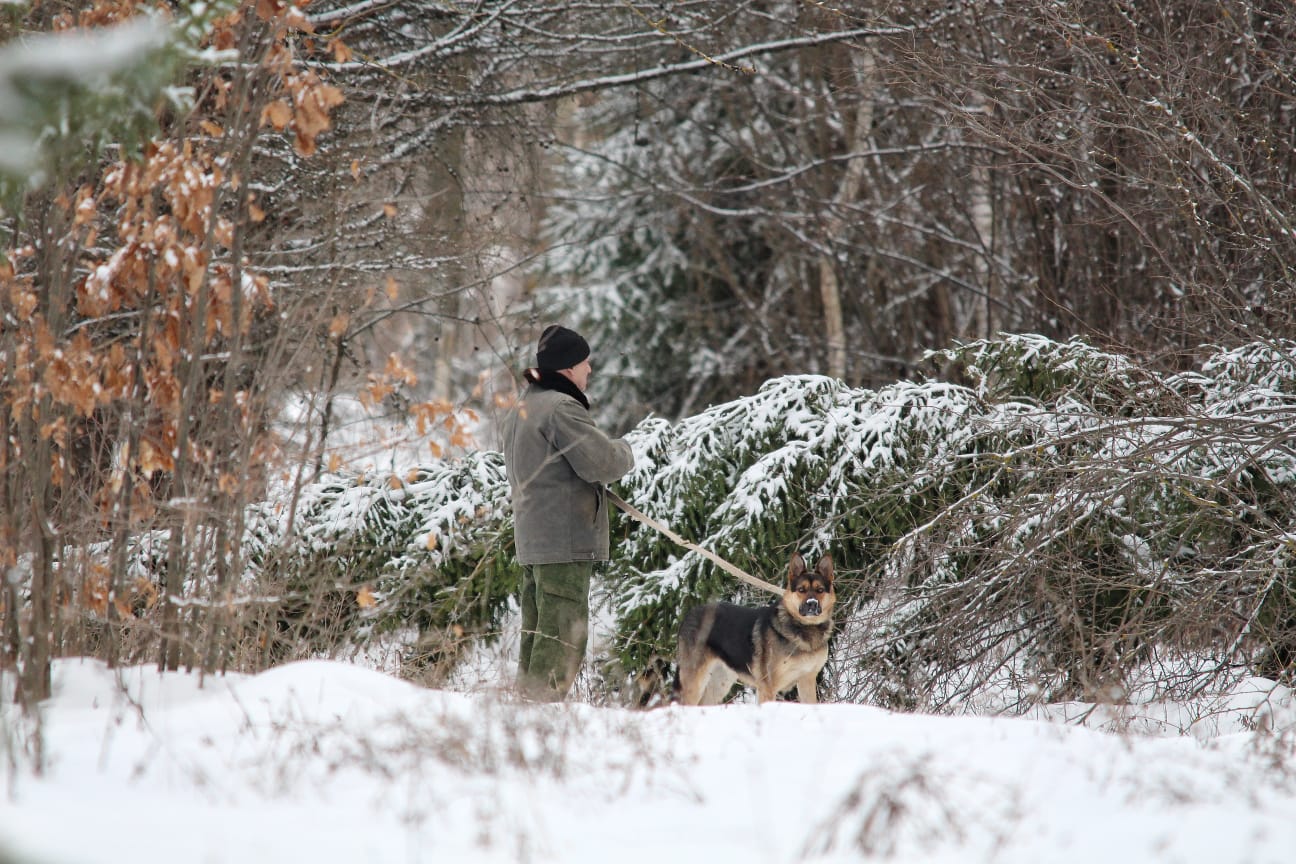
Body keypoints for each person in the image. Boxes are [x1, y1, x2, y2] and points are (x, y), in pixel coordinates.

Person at [502, 324, 635, 700]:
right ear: (567, 369)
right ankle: (541, 720)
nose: (589, 370)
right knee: (562, 634)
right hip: (564, 540)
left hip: (534, 540)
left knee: (538, 633)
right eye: (584, 363)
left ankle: (524, 717)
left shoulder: (523, 408)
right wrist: (627, 448)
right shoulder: (561, 408)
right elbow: (603, 463)